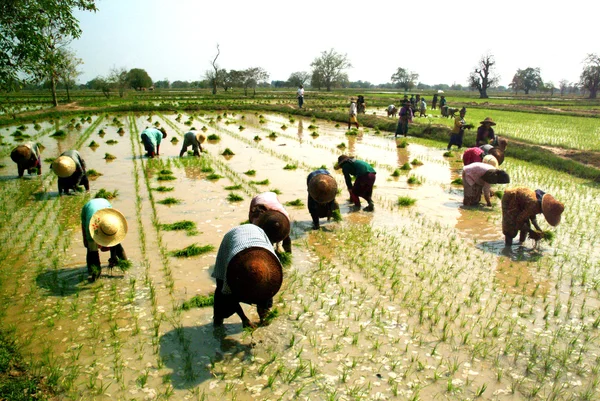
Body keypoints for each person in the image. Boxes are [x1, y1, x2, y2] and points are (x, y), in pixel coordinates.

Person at [212, 224, 283, 328]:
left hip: (257, 233)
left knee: (265, 296)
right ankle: (217, 324)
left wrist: (265, 311)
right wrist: (244, 319)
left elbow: (269, 290)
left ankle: (264, 319)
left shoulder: (272, 264)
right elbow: (227, 293)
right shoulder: (233, 268)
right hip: (232, 239)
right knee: (222, 297)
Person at [81, 198, 128, 282]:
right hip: (88, 210)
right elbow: (93, 251)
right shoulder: (91, 229)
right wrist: (96, 268)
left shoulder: (112, 224)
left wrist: (113, 257)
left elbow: (114, 241)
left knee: (116, 244)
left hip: (105, 207)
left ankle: (125, 266)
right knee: (90, 248)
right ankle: (92, 273)